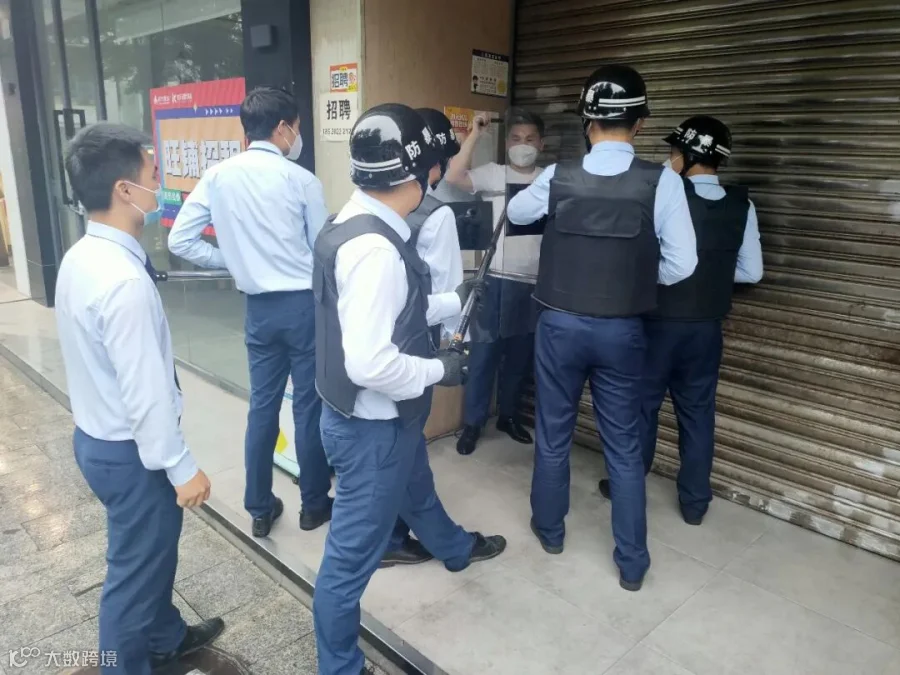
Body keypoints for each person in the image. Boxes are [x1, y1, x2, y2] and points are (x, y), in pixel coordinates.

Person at [312, 103, 506, 675]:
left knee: (416, 485)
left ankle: (454, 549)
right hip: (372, 427)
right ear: (423, 174)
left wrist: (452, 298)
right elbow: (371, 363)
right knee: (347, 565)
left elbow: (391, 309)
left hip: (376, 422)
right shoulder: (376, 251)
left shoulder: (348, 222)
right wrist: (438, 371)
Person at [507, 64, 698, 591]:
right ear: (640, 124)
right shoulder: (663, 181)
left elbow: (518, 212)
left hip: (559, 327)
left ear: (587, 122)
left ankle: (550, 531)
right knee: (624, 446)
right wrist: (632, 278)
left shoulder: (557, 175)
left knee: (554, 434)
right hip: (623, 332)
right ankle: (632, 563)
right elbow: (683, 264)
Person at [55, 123, 224, 674]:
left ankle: (166, 636)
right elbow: (145, 391)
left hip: (98, 439)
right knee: (132, 579)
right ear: (125, 189)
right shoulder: (122, 282)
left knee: (149, 555)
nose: (161, 182)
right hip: (131, 453)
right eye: (153, 173)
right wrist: (180, 466)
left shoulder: (83, 256)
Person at [168, 86, 331, 538]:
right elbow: (323, 251)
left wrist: (236, 262)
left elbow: (180, 240)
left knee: (262, 407)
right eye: (295, 127)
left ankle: (260, 507)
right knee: (308, 408)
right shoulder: (301, 180)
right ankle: (314, 505)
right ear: (282, 128)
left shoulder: (217, 176)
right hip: (303, 307)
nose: (296, 135)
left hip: (258, 310)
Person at [598, 115, 764, 525]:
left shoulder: (664, 195)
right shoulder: (742, 204)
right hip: (706, 330)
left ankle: (627, 485)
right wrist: (712, 275)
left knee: (643, 408)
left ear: (687, 156)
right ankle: (694, 504)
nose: (670, 158)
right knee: (698, 414)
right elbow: (752, 272)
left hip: (657, 325)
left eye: (674, 151)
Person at [382, 107, 465, 568]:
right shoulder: (437, 214)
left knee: (399, 441)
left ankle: (400, 533)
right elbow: (447, 290)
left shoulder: (366, 209)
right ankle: (399, 537)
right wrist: (453, 346)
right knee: (406, 442)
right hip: (414, 342)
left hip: (375, 339)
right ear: (436, 162)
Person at [445, 107, 546, 455]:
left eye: (530, 138)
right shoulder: (494, 174)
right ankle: (473, 424)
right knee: (483, 356)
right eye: (516, 138)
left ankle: (508, 416)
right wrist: (475, 133)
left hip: (532, 285)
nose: (523, 145)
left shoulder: (549, 180)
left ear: (542, 144)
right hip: (493, 280)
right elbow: (454, 175)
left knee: (519, 359)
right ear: (507, 144)